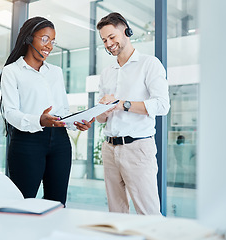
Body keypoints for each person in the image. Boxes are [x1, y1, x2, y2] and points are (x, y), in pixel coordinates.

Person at [0, 17, 94, 205]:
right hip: (27, 141)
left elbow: (62, 110)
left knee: (57, 204)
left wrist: (76, 122)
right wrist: (39, 120)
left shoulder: (55, 72)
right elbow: (10, 113)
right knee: (23, 204)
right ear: (28, 39)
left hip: (60, 141)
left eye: (52, 41)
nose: (49, 46)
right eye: (45, 39)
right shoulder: (12, 71)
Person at [95, 12, 170, 215]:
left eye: (112, 37)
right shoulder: (107, 72)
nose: (108, 43)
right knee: (116, 214)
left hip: (137, 148)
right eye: (104, 40)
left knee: (148, 213)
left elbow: (162, 105)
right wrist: (102, 110)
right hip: (109, 148)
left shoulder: (149, 64)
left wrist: (121, 104)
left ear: (126, 31)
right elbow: (101, 119)